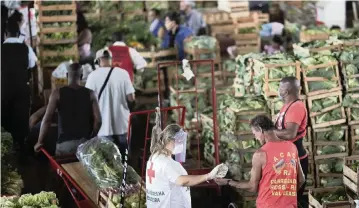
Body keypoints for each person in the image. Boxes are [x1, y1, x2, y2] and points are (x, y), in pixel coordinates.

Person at [215, 115, 305, 208]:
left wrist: (228, 182)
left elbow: (252, 187)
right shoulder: (292, 147)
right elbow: (301, 179)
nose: (256, 138)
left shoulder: (260, 154)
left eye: (255, 134)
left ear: (260, 129)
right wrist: (286, 196)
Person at [145, 108, 227, 208]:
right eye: (180, 142)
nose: (182, 145)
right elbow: (182, 181)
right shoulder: (166, 163)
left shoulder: (154, 157)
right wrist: (208, 176)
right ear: (170, 141)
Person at [34, 63, 101, 155]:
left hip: (64, 145)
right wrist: (93, 137)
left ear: (66, 75)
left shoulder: (57, 93)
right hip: (85, 144)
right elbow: (98, 120)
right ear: (81, 76)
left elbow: (47, 120)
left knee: (65, 168)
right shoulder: (91, 94)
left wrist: (40, 141)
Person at [85, 48, 135, 158]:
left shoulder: (92, 76)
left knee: (109, 166)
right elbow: (131, 98)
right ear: (111, 60)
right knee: (125, 161)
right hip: (123, 126)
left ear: (97, 61)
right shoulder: (123, 74)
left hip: (103, 129)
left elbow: (87, 103)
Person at [2, 19, 37, 160]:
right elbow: (32, 64)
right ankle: (21, 151)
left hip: (3, 89)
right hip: (22, 89)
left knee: (4, 119)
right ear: (18, 34)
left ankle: (6, 154)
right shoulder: (25, 48)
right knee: (21, 119)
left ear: (5, 34)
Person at [274, 77, 308, 208]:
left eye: (280, 87)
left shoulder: (296, 107)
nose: (278, 90)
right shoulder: (286, 106)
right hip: (287, 160)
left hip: (296, 161)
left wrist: (269, 132)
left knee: (290, 201)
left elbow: (290, 133)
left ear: (286, 91)